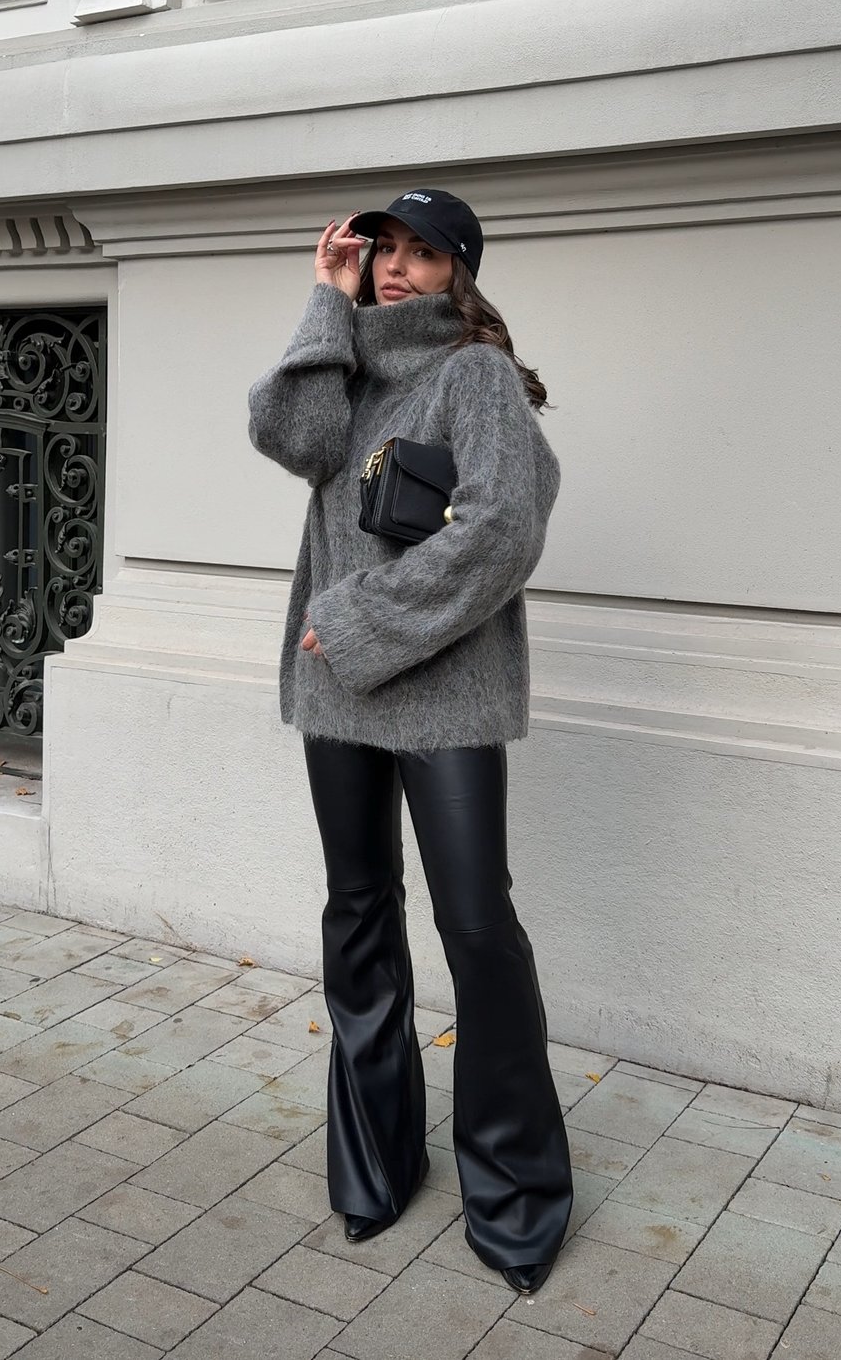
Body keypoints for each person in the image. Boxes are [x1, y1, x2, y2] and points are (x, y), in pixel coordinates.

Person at [247, 187, 573, 1295]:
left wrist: (355, 619)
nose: (394, 266)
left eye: (421, 253)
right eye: (382, 249)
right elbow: (291, 438)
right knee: (357, 916)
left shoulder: (474, 375)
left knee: (477, 929)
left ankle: (516, 1192)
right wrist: (321, 301)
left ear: (458, 272)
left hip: (445, 691)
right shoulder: (349, 372)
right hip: (338, 689)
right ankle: (376, 1162)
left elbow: (502, 529)